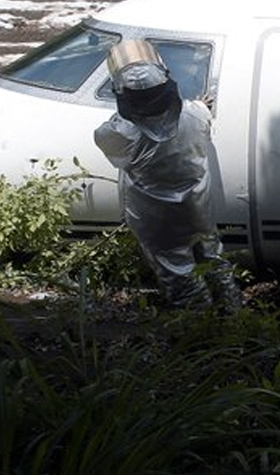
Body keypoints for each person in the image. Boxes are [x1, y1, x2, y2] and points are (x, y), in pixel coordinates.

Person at [93, 40, 235, 308]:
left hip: (157, 220)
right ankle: (235, 320)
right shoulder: (194, 115)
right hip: (196, 208)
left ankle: (202, 335)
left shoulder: (120, 132)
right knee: (215, 262)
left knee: (180, 276)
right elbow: (200, 110)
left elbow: (104, 136)